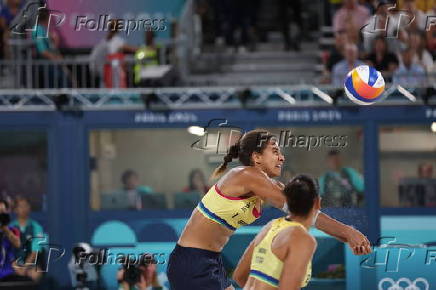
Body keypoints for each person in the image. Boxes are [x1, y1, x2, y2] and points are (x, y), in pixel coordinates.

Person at [167, 130, 371, 290]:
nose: (281, 158)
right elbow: (305, 213)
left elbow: (307, 214)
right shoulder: (246, 175)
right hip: (192, 261)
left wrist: (348, 236)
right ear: (256, 158)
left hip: (210, 260)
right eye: (275, 151)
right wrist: (348, 232)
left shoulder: (265, 185)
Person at [232, 175, 320, 289]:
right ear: (317, 203)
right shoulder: (301, 238)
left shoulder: (270, 227)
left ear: (287, 200)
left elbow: (239, 276)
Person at [89, 19, 137, 88]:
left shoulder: (104, 41)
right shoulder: (117, 41)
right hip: (113, 73)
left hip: (106, 72)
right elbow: (131, 49)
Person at [10, 196, 44, 282]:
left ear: (29, 208)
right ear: (15, 209)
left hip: (31, 265)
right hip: (13, 264)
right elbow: (7, 251)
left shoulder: (37, 227)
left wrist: (24, 268)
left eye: (26, 206)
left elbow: (35, 252)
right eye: (20, 206)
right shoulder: (10, 228)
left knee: (36, 273)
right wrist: (16, 267)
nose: (24, 209)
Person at [0, 199, 27, 283]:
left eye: (3, 212)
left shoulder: (13, 231)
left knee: (27, 281)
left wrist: (4, 228)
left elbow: (17, 244)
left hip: (7, 274)